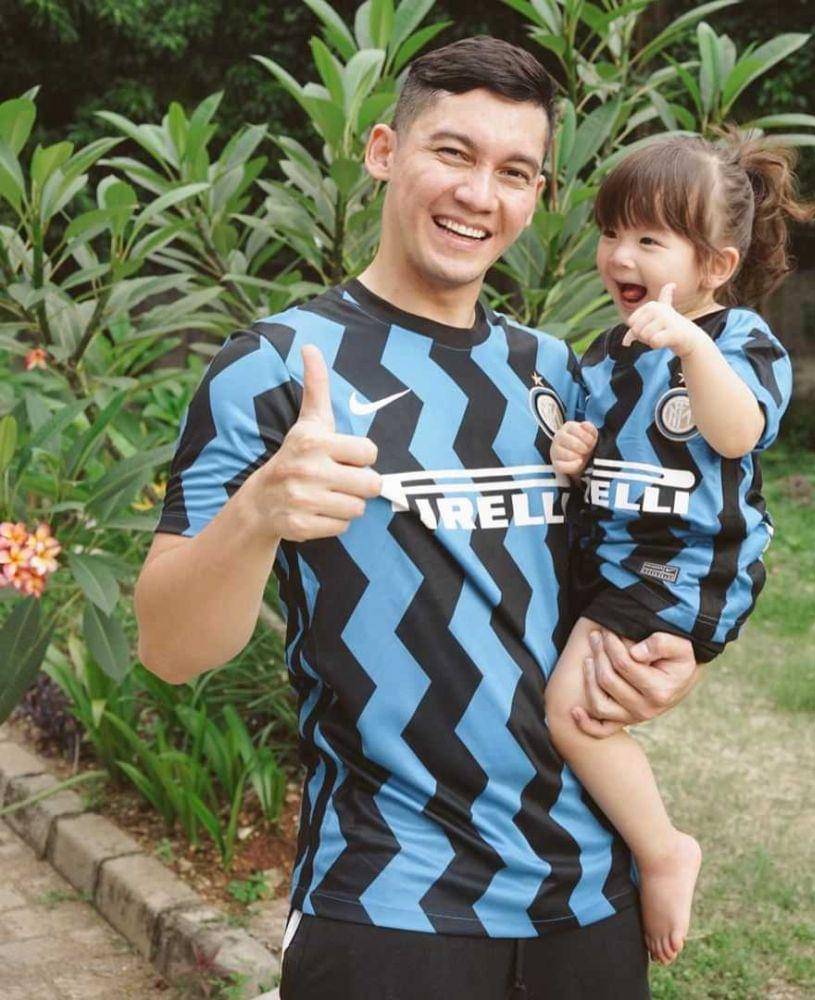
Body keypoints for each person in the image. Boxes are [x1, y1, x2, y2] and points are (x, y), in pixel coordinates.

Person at [134, 37, 704, 1000]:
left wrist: (675, 654)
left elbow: (637, 562)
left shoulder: (555, 373)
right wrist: (258, 514)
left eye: (513, 172)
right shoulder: (272, 368)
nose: (479, 194)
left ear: (537, 195)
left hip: (589, 894)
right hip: (389, 898)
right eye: (452, 152)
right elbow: (168, 648)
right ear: (383, 151)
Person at [547, 132, 815, 965]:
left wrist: (692, 345)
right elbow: (596, 454)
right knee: (574, 700)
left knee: (572, 712)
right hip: (615, 563)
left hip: (686, 567)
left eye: (648, 238)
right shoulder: (605, 354)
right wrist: (574, 451)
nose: (619, 255)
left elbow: (737, 434)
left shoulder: (740, 343)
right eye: (611, 232)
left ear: (715, 265)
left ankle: (665, 849)